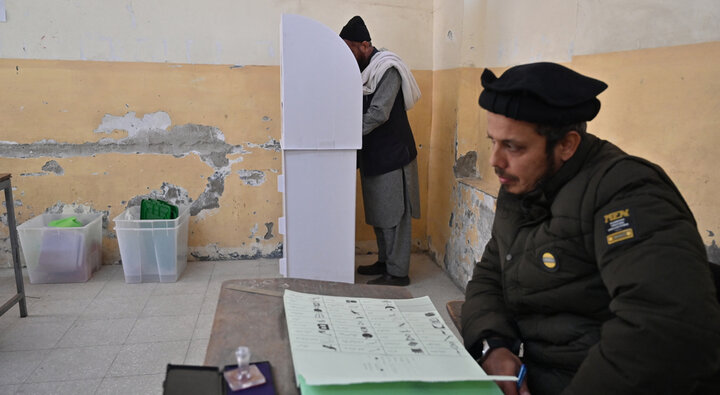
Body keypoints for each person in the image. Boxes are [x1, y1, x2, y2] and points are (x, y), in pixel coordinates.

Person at [461, 62, 720, 395]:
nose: (495, 161)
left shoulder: (627, 192)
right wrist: (492, 345)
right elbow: (490, 274)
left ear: (567, 144)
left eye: (513, 146)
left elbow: (665, 329)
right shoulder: (522, 183)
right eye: (492, 142)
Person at [339, 16, 421, 286]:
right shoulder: (365, 71)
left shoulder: (388, 69)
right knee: (379, 212)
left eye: (349, 49)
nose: (347, 56)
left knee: (395, 215)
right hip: (374, 152)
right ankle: (385, 261)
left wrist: (344, 135)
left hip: (393, 154)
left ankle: (398, 273)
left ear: (364, 45)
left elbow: (378, 114)